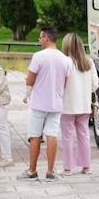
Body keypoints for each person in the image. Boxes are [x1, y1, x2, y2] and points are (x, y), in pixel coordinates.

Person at [21, 26, 73, 181]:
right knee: (52, 135)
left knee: (35, 136)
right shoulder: (66, 59)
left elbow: (30, 79)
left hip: (38, 103)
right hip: (56, 103)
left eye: (40, 37)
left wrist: (27, 91)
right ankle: (50, 171)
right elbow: (65, 83)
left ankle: (32, 170)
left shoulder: (38, 56)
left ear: (46, 38)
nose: (39, 40)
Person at [59, 32, 96, 175]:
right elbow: (95, 85)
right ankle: (87, 166)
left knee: (67, 137)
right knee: (84, 135)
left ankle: (67, 168)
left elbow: (59, 84)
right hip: (84, 105)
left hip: (67, 105)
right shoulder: (89, 62)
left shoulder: (64, 62)